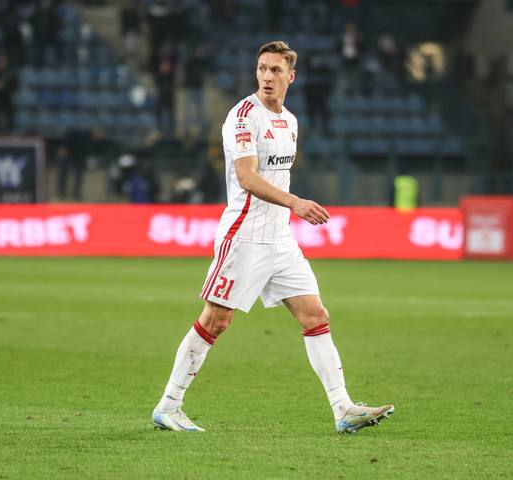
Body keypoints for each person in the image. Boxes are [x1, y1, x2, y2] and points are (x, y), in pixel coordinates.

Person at [152, 41, 395, 434]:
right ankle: (168, 406)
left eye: (276, 70)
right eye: (262, 68)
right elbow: (247, 178)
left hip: (280, 239)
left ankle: (343, 409)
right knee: (216, 320)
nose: (267, 76)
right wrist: (296, 203)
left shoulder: (291, 121)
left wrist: (288, 210)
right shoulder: (242, 117)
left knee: (316, 316)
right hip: (244, 236)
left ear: (290, 77)